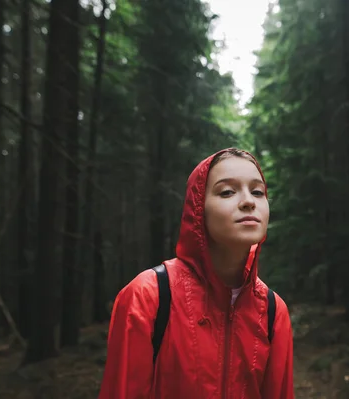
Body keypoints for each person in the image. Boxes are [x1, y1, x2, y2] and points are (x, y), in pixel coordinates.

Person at [98, 148, 294, 398]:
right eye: (227, 192)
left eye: (258, 192)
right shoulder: (148, 296)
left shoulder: (273, 311)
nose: (248, 201)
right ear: (197, 208)